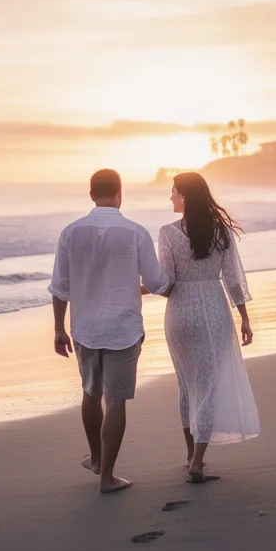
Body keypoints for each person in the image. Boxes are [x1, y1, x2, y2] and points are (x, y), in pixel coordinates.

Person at [49, 169, 170, 494]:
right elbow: (157, 282)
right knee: (116, 401)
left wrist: (58, 329)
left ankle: (97, 459)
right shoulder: (136, 233)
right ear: (120, 194)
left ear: (91, 195)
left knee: (91, 394)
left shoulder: (70, 232)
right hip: (123, 329)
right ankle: (107, 477)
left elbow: (60, 287)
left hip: (85, 328)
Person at [156, 172, 260, 484]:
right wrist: (244, 317)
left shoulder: (167, 233)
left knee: (187, 385)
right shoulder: (221, 232)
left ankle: (191, 455)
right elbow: (233, 280)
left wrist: (138, 289)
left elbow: (166, 283)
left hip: (179, 314)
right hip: (214, 310)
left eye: (173, 192)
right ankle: (198, 462)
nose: (170, 197)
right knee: (208, 386)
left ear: (185, 196)